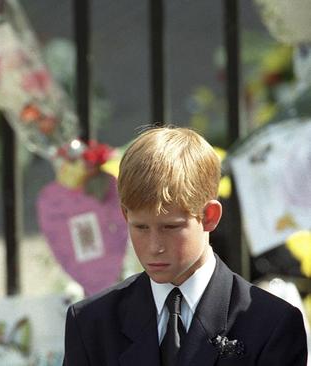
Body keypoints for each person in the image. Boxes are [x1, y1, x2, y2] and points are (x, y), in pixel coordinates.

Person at [63, 126, 307, 365]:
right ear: (125, 215)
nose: (154, 246)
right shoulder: (91, 323)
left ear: (210, 216)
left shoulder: (272, 324)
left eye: (170, 227)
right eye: (141, 228)